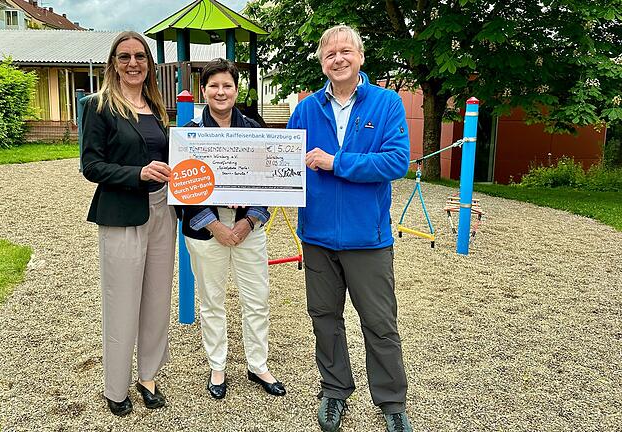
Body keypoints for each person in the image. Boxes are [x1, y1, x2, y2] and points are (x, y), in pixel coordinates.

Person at [287, 25, 413, 432]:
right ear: (322, 63)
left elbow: (396, 162)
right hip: (318, 238)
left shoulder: (386, 103)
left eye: (345, 52)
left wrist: (336, 162)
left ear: (360, 57)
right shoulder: (306, 109)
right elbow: (283, 165)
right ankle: (335, 390)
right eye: (329, 54)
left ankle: (392, 401)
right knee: (324, 318)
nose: (338, 59)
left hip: (368, 239)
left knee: (379, 323)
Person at [81, 31, 175, 417]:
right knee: (121, 305)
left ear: (149, 64)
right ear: (113, 63)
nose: (133, 63)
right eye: (125, 57)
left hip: (162, 213)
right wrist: (139, 173)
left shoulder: (158, 106)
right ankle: (115, 387)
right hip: (122, 214)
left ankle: (148, 377)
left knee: (156, 300)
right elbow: (92, 166)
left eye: (140, 56)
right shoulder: (99, 106)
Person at [180, 58, 286, 400]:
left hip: (248, 229)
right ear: (204, 90)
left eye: (227, 85)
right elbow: (185, 187)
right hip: (205, 229)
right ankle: (217, 365)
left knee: (256, 298)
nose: (221, 92)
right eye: (214, 86)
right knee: (212, 301)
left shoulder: (254, 129)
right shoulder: (190, 134)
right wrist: (214, 226)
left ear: (236, 89)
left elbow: (268, 184)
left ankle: (258, 364)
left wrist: (247, 221)